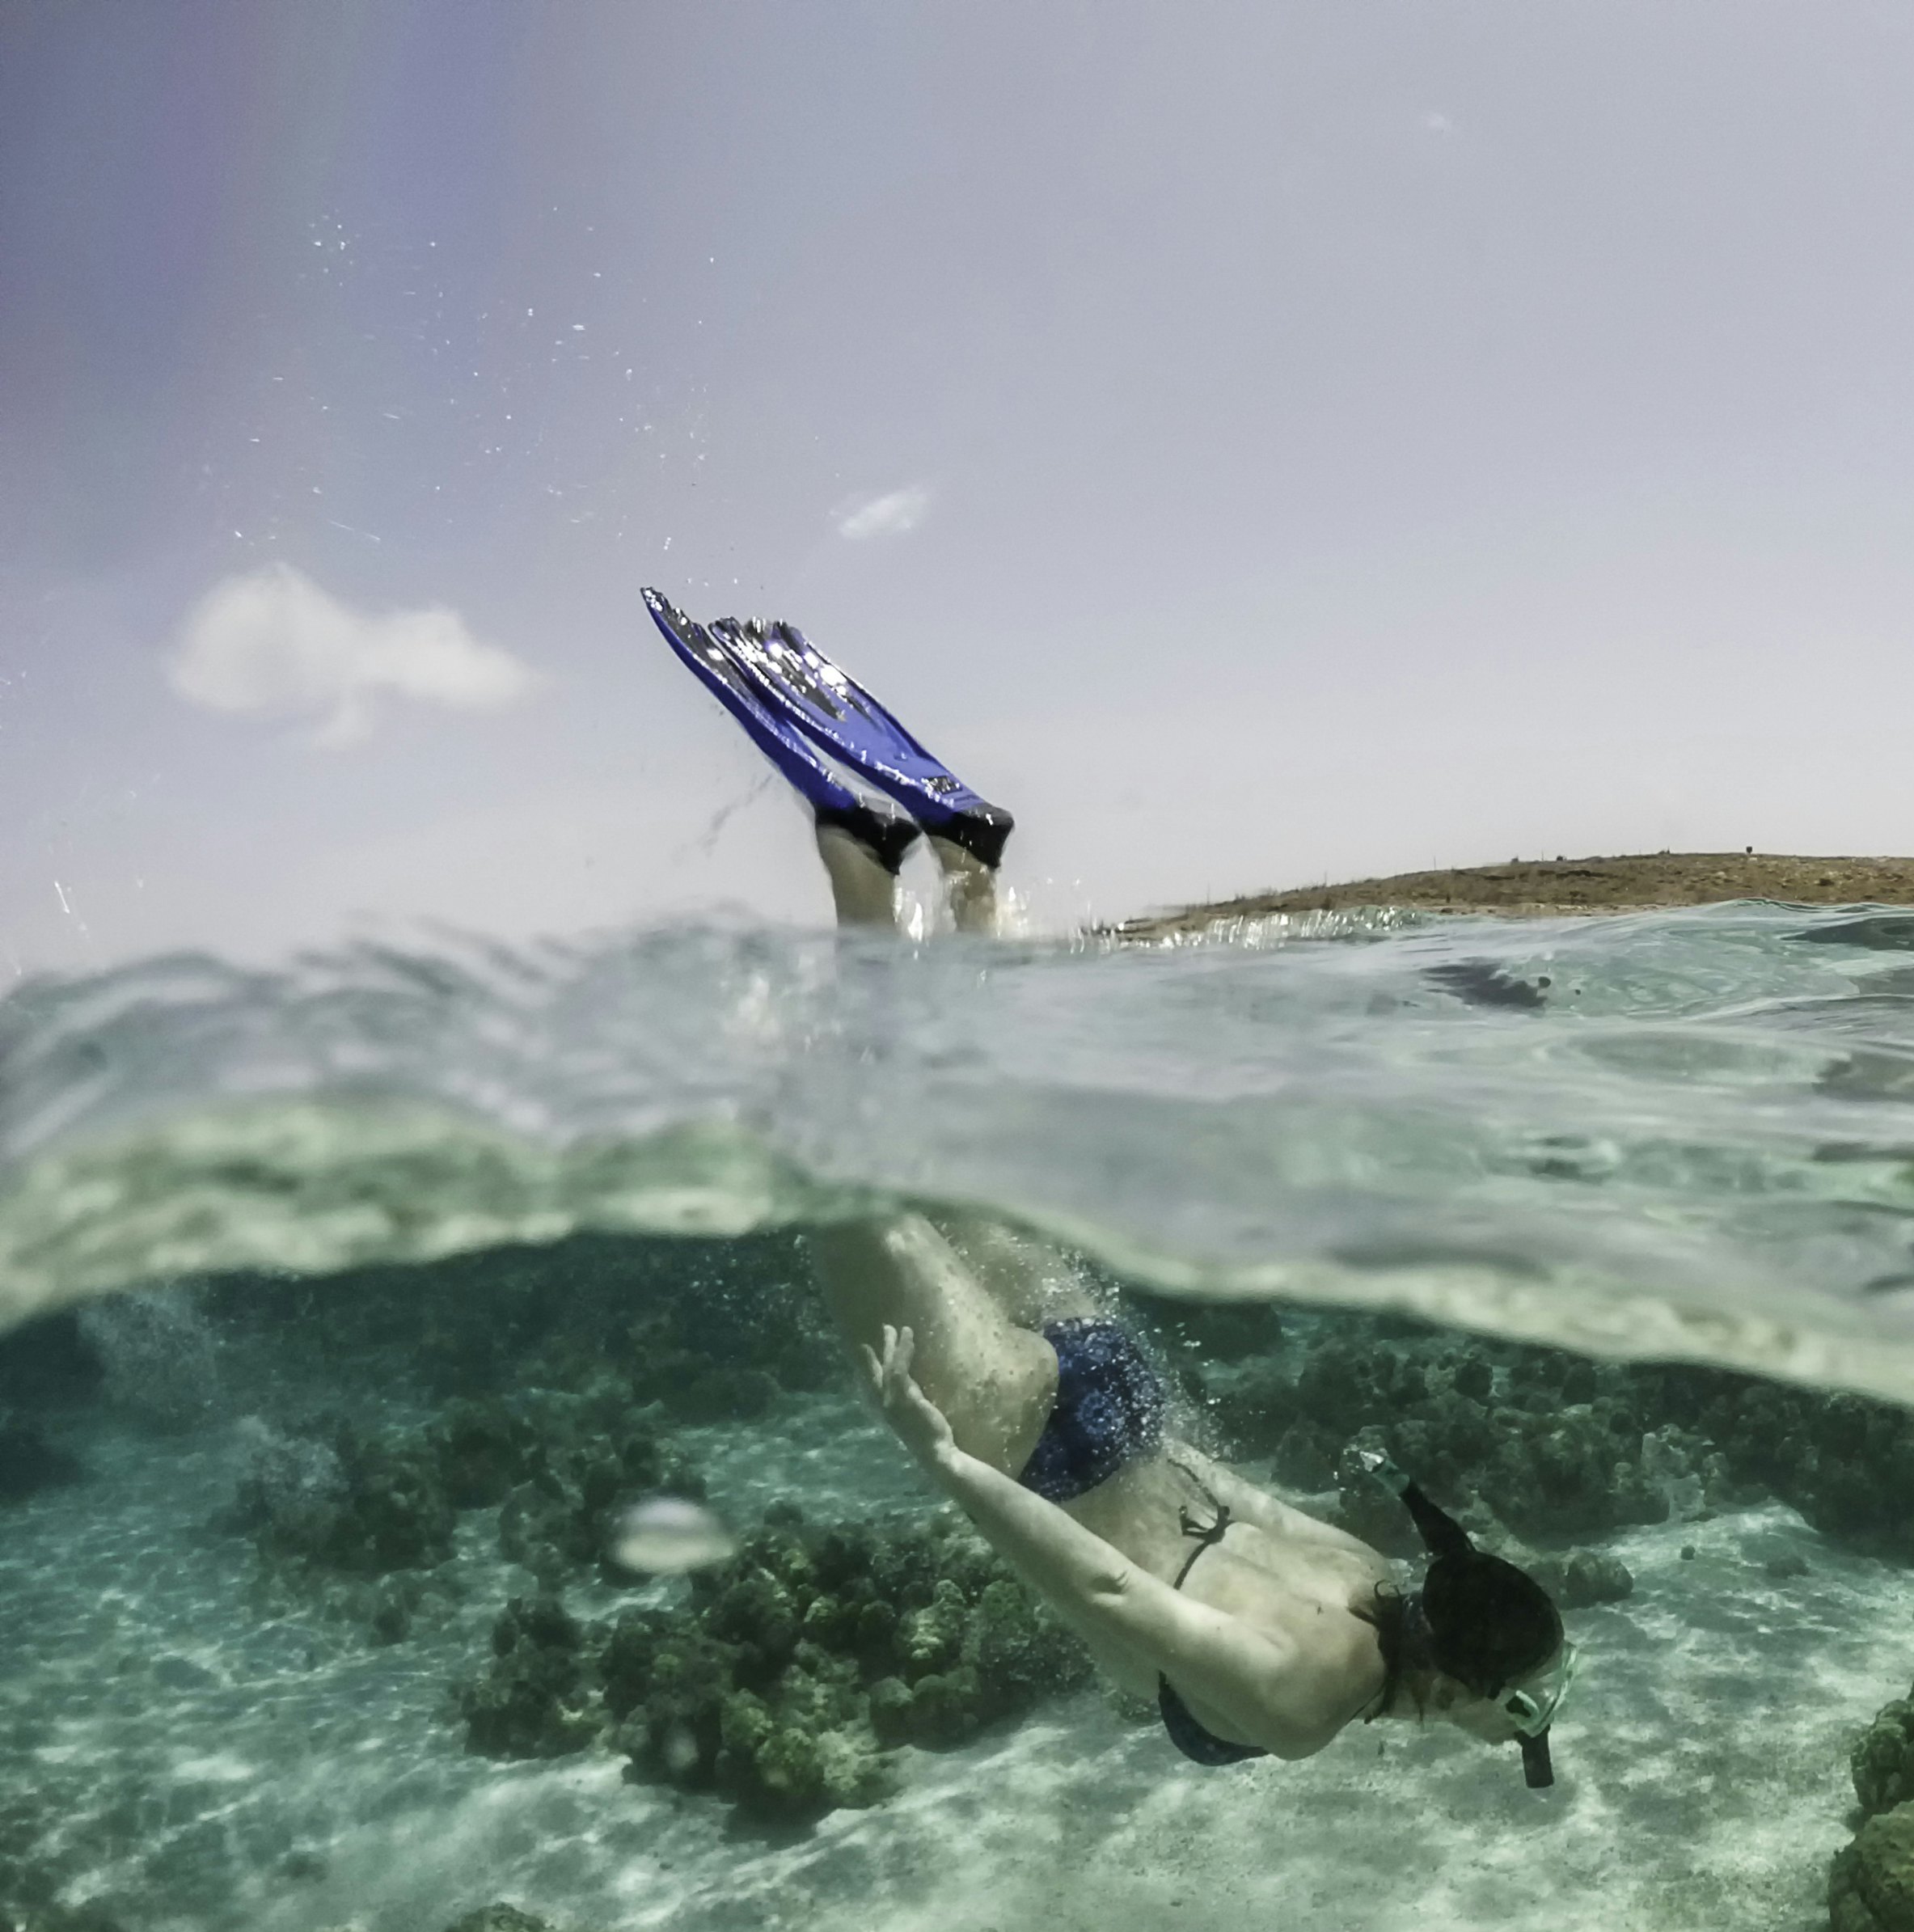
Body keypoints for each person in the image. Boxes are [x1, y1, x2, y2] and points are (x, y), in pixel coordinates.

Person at [642, 590, 1572, 1785]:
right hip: (1033, 1451)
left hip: (1119, 1394)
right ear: (1470, 1689)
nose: (1525, 1726)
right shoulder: (1313, 1699)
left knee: (930, 1143)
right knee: (834, 1155)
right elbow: (1100, 1586)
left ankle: (934, 874)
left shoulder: (1373, 1575)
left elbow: (1230, 1493)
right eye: (1524, 1708)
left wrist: (1505, 1690)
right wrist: (947, 1464)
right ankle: (867, 883)